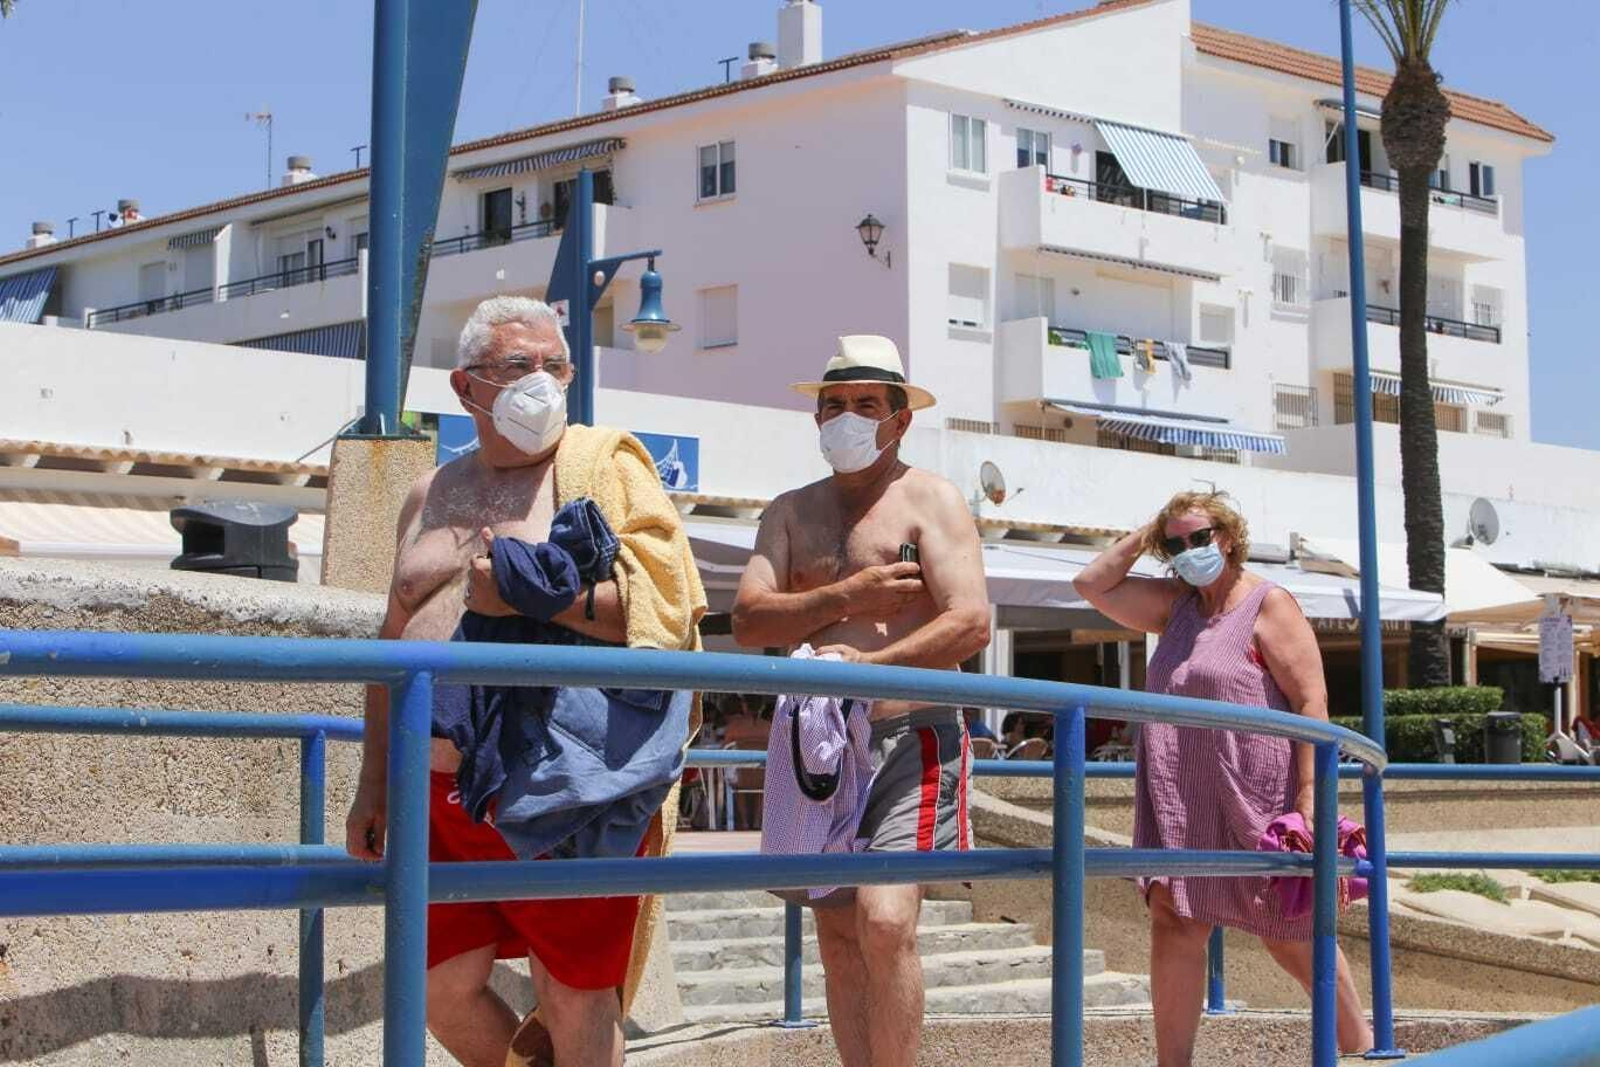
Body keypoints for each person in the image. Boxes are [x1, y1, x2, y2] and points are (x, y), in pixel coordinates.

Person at [343, 296, 706, 1067]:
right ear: (466, 386)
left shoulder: (602, 472)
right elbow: (393, 642)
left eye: (555, 365)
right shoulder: (428, 493)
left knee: (573, 994)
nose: (540, 382)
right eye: (517, 366)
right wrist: (372, 783)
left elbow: (662, 614)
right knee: (437, 989)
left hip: (560, 793)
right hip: (436, 791)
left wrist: (534, 595)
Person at [731, 335, 991, 1067]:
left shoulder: (931, 499)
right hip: (816, 746)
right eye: (834, 404)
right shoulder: (789, 511)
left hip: (911, 735)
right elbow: (748, 620)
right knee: (838, 932)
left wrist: (870, 666)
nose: (846, 417)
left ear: (899, 420)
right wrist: (849, 595)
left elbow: (970, 620)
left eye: (866, 404)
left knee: (883, 920)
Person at [1072, 490, 1373, 1066]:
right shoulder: (1175, 607)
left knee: (1288, 926)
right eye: (1177, 543)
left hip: (1253, 790)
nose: (1190, 550)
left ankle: (1360, 1048)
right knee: (1176, 919)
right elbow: (1092, 584)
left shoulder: (1268, 603)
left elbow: (1312, 701)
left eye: (1200, 537)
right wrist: (1150, 530)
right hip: (1179, 793)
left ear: (1228, 538)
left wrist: (1312, 792)